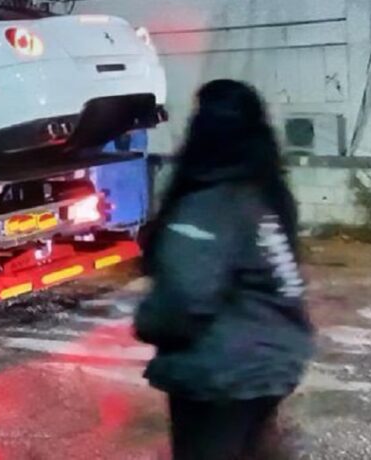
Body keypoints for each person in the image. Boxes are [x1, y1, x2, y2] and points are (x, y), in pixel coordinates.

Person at [134, 79, 314, 460]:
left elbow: (184, 298)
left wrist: (147, 321)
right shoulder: (268, 198)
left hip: (221, 372)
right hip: (273, 362)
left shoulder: (208, 206)